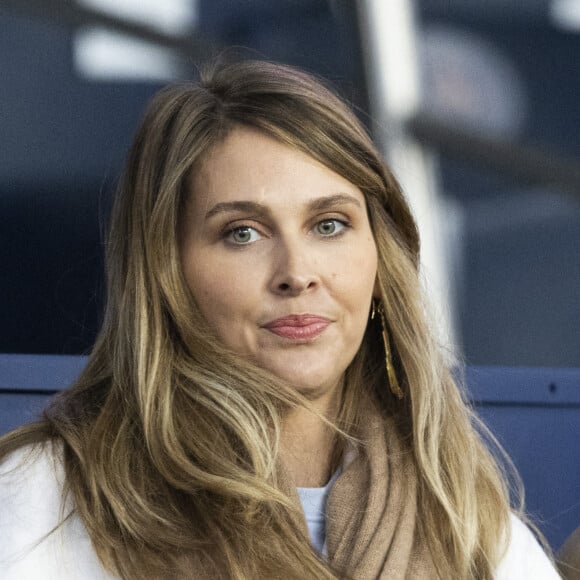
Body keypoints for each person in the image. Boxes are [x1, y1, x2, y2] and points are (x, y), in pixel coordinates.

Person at [0, 59, 561, 579]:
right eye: (242, 233)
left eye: (329, 225)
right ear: (165, 273)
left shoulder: (471, 524)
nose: (297, 272)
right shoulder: (45, 499)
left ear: (379, 256)